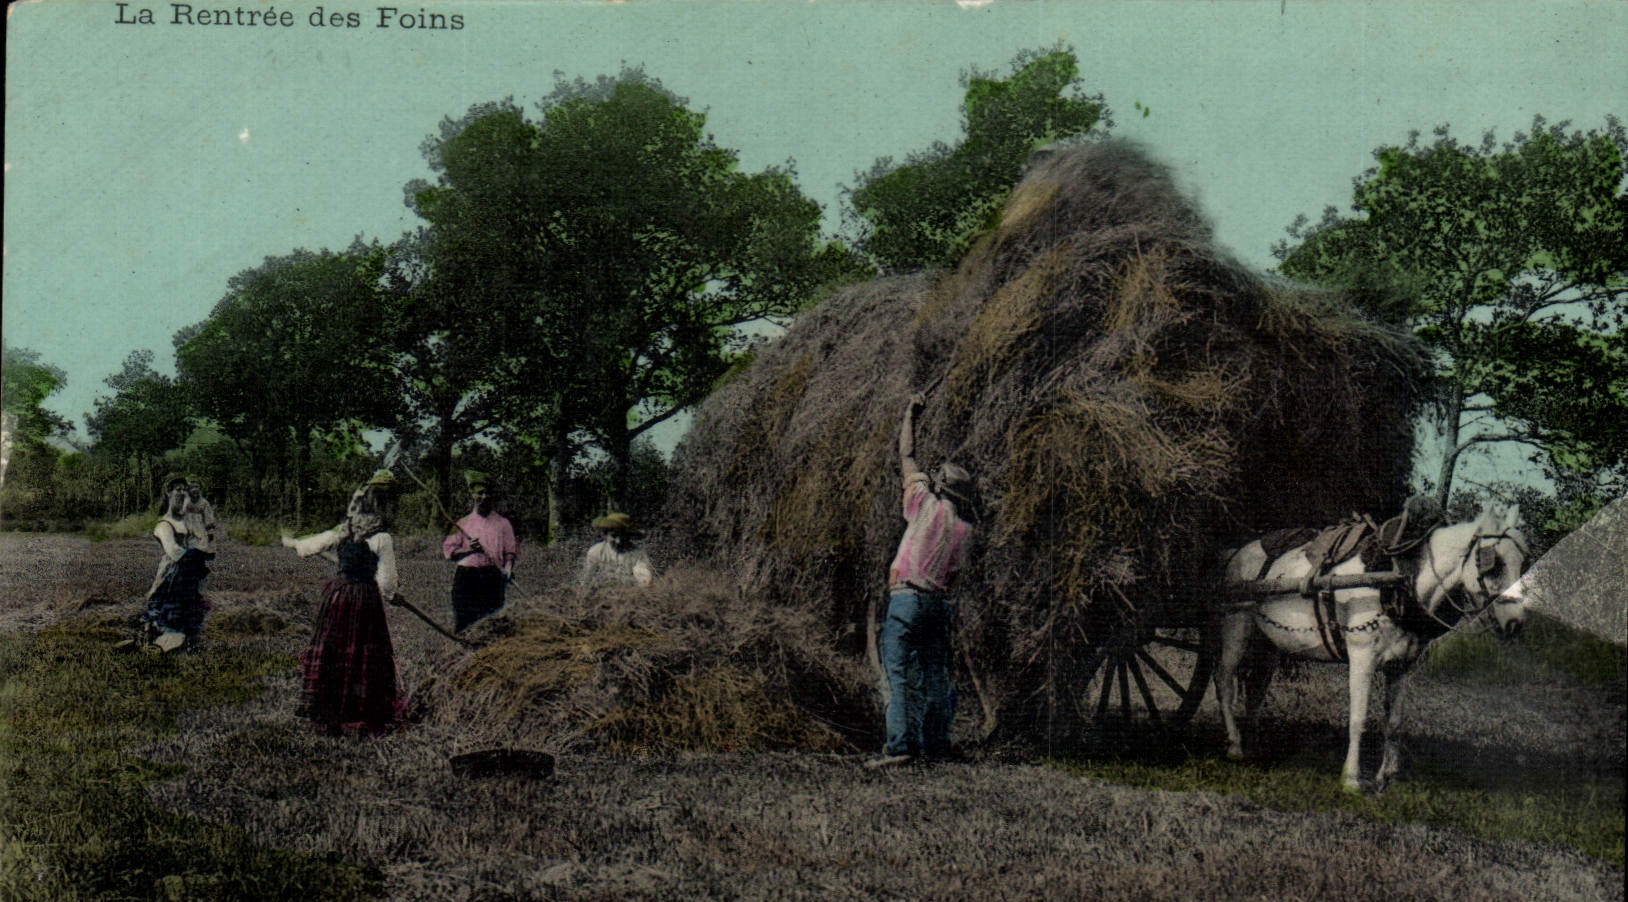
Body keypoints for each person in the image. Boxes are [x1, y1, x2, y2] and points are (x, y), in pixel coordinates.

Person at [869, 393, 975, 768]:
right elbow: (956, 576)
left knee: (896, 673)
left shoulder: (923, 504)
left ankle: (899, 748)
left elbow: (906, 457)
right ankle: (937, 744)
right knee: (936, 676)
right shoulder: (964, 530)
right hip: (937, 605)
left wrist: (909, 415)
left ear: (939, 485)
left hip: (906, 599)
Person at [281, 470, 404, 735]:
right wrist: (393, 595)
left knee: (334, 653)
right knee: (362, 655)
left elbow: (308, 548)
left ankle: (329, 714)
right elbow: (387, 583)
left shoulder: (345, 528)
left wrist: (292, 543)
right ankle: (360, 716)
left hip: (337, 595)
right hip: (363, 599)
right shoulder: (382, 537)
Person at [138, 474, 215, 652]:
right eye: (177, 489)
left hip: (188, 571)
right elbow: (174, 551)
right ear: (168, 493)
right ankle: (158, 636)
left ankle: (185, 639)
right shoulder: (164, 525)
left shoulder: (186, 521)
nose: (181, 493)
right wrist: (197, 555)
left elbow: (203, 541)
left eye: (184, 490)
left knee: (191, 608)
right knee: (167, 609)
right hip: (172, 572)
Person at [442, 470, 517, 632]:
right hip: (467, 578)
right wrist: (469, 550)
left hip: (493, 577)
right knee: (465, 625)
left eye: (488, 493)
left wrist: (509, 569)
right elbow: (449, 553)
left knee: (491, 625)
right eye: (480, 493)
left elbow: (510, 553)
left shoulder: (503, 524)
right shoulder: (462, 524)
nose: (484, 497)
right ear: (472, 494)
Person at [578, 512, 655, 589]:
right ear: (606, 535)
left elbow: (645, 582)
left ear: (628, 536)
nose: (618, 541)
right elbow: (586, 580)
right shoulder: (596, 552)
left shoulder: (637, 554)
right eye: (614, 536)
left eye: (622, 536)